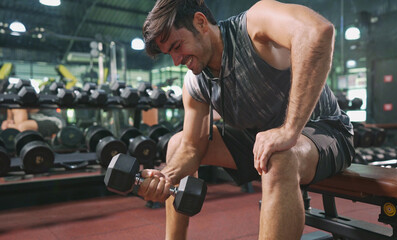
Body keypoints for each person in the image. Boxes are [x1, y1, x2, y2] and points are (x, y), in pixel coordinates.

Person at [138, 0, 355, 239]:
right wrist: (166, 177)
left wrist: (289, 130)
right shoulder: (196, 82)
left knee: (279, 157)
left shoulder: (254, 26)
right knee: (177, 143)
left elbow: (317, 31)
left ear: (200, 22)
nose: (176, 60)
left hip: (326, 132)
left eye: (177, 46)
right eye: (170, 53)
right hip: (260, 141)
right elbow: (192, 148)